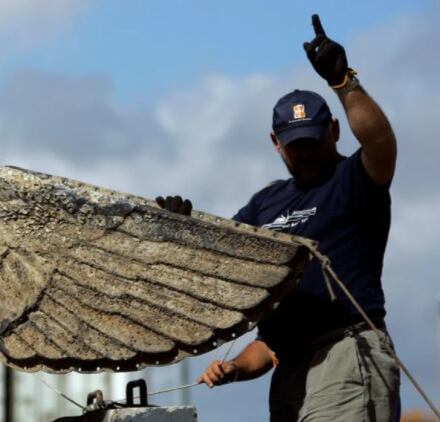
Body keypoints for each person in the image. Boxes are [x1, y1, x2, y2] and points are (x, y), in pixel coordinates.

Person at [156, 15, 400, 421]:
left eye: (311, 141)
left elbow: (380, 141)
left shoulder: (354, 179)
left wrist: (344, 82)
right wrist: (182, 229)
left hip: (343, 355)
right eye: (294, 145)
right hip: (290, 372)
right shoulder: (265, 204)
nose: (303, 153)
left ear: (334, 131)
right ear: (276, 144)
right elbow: (267, 342)